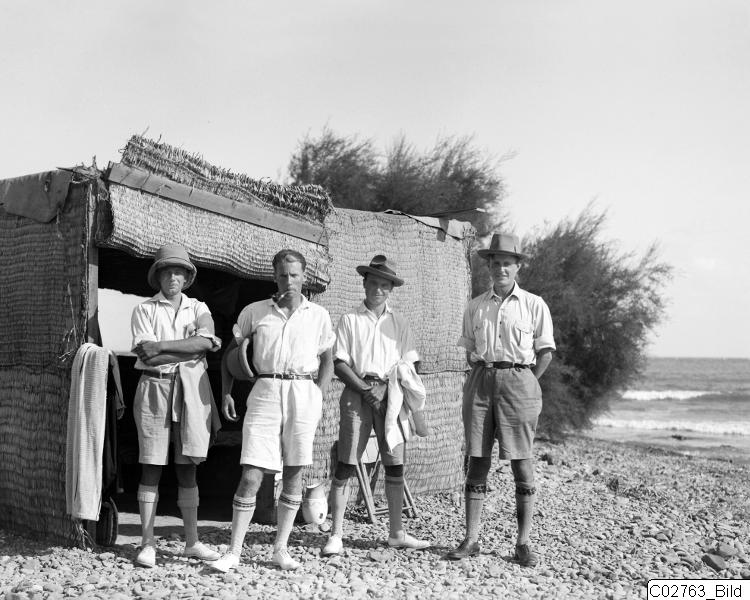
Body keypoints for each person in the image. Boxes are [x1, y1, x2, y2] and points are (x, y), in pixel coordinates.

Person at [213, 249, 335, 572]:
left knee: (294, 472)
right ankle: (234, 551)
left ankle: (281, 548)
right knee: (251, 473)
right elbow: (230, 354)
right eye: (283, 275)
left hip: (302, 392)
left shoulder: (318, 315)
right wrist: (226, 393)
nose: (289, 281)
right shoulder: (254, 311)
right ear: (275, 277)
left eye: (294, 275)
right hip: (265, 390)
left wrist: (318, 395)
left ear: (304, 277)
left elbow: (328, 360)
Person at [448, 233, 555, 567]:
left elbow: (545, 352)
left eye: (507, 263)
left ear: (518, 266)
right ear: (489, 266)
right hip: (481, 380)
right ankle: (471, 539)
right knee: (477, 459)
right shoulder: (476, 306)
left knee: (521, 461)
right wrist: (483, 377)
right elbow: (469, 351)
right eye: (495, 263)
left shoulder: (534, 304)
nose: (501, 269)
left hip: (519, 380)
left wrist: (527, 382)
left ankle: (523, 543)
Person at [322, 255, 430, 557]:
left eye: (384, 285)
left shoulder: (399, 323)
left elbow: (411, 362)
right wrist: (366, 389)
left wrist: (384, 388)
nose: (378, 290)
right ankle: (336, 534)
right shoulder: (350, 319)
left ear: (391, 289)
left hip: (391, 393)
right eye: (373, 283)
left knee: (394, 462)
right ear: (364, 283)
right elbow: (339, 362)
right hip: (357, 393)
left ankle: (396, 532)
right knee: (346, 462)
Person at [130, 244, 222, 568]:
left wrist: (163, 346)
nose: (173, 277)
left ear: (187, 277)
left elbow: (207, 343)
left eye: (179, 272)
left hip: (189, 391)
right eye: (167, 271)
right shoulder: (144, 309)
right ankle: (147, 542)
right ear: (158, 276)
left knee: (187, 465)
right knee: (151, 464)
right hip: (154, 387)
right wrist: (189, 349)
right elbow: (146, 354)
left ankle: (192, 542)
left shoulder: (199, 307)